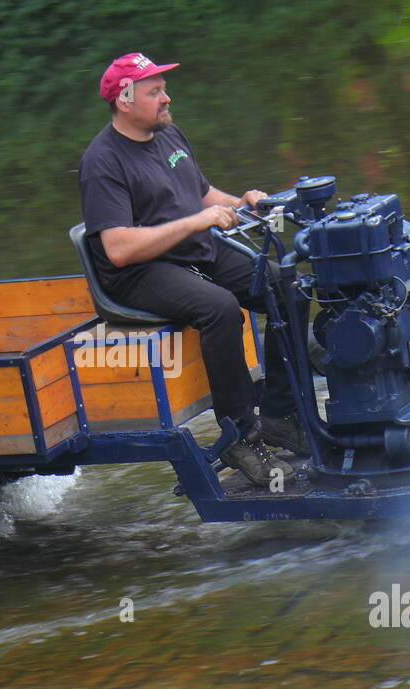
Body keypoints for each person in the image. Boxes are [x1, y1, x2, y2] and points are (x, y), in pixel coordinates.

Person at [77, 52, 312, 487]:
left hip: (194, 248)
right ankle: (240, 436)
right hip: (140, 272)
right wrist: (198, 222)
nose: (167, 97)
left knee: (287, 285)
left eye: (163, 89)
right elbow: (117, 249)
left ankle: (279, 412)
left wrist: (239, 204)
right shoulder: (103, 162)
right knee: (221, 309)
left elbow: (201, 195)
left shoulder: (168, 135)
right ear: (125, 102)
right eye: (155, 92)